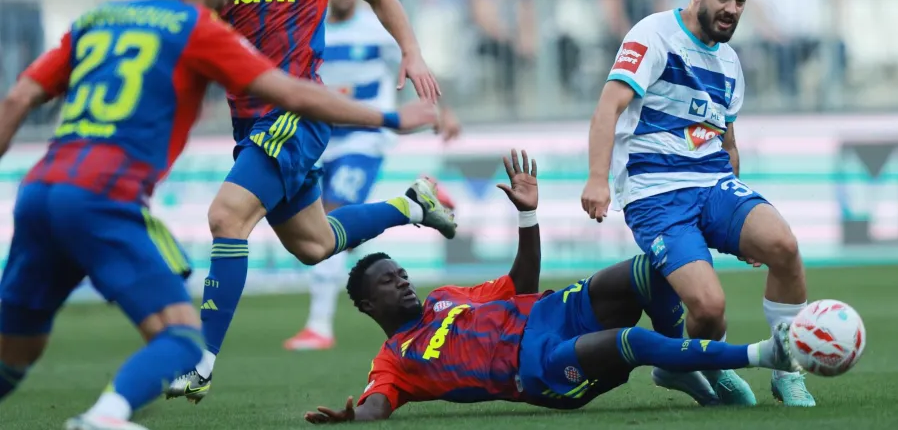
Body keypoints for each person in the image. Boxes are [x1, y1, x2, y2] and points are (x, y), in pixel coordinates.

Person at [0, 0, 439, 430]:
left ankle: (200, 366)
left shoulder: (95, 20)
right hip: (106, 197)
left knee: (16, 353)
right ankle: (106, 417)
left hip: (36, 192)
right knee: (302, 251)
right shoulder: (199, 30)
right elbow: (290, 91)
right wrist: (389, 118)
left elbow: (15, 100)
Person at [168, 0, 453, 401]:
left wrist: (412, 52)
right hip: (249, 120)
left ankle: (200, 360)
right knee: (315, 244)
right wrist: (215, 4)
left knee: (226, 216)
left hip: (299, 112)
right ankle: (411, 204)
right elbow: (184, 31)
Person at [303, 149, 798, 424]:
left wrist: (527, 214)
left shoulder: (443, 299)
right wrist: (353, 419)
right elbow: (375, 406)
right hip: (542, 369)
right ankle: (760, 355)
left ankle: (678, 364)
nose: (403, 283)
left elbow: (522, 283)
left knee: (652, 268)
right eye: (389, 282)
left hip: (557, 311)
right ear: (368, 304)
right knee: (631, 343)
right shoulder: (394, 361)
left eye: (402, 273)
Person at [580, 0, 815, 407]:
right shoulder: (654, 35)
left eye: (741, 0)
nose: (732, 9)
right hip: (655, 194)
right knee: (708, 308)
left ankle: (788, 370)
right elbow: (609, 104)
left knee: (783, 246)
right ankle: (685, 366)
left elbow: (727, 143)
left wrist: (746, 219)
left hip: (713, 185)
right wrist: (596, 178)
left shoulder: (729, 62)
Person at [283, 0, 462, 351]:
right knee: (324, 227)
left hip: (364, 139)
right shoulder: (308, 27)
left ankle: (318, 325)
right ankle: (415, 198)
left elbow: (416, 67)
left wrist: (440, 111)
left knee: (331, 219)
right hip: (319, 138)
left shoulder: (377, 29)